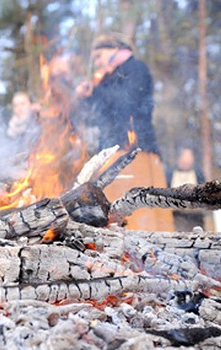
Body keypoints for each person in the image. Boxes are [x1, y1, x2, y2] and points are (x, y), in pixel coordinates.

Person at [75, 34, 174, 231]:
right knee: (117, 218)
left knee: (144, 216)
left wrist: (95, 91)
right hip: (112, 152)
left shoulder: (135, 68)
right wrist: (87, 97)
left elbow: (127, 103)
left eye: (99, 56)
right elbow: (98, 116)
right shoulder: (107, 78)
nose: (97, 63)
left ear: (114, 49)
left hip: (137, 151)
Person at [166, 147, 206, 231]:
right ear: (179, 160)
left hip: (195, 216)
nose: (187, 164)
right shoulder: (170, 174)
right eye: (184, 162)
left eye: (189, 162)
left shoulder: (198, 174)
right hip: (176, 215)